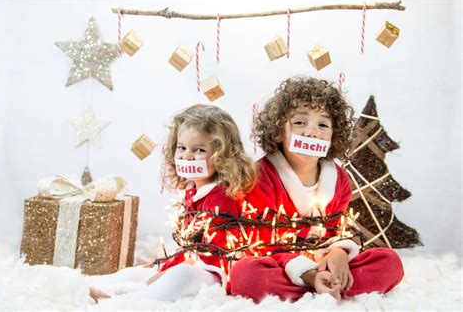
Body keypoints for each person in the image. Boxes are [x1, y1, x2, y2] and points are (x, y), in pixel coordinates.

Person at [229, 76, 404, 303]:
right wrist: (309, 275)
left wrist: (339, 253)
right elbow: (263, 245)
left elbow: (336, 230)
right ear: (279, 131)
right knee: (245, 275)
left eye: (322, 124)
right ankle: (322, 287)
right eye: (300, 122)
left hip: (324, 259)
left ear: (333, 136)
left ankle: (328, 284)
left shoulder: (339, 179)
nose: (311, 132)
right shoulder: (261, 176)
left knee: (390, 262)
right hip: (279, 262)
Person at [89, 104, 256, 302]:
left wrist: (171, 268)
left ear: (221, 156)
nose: (186, 156)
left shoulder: (221, 197)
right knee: (140, 271)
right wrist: (163, 265)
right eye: (182, 148)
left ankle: (127, 299)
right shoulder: (193, 190)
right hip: (192, 260)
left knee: (181, 274)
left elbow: (210, 253)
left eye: (199, 150)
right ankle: (93, 284)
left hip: (214, 272)